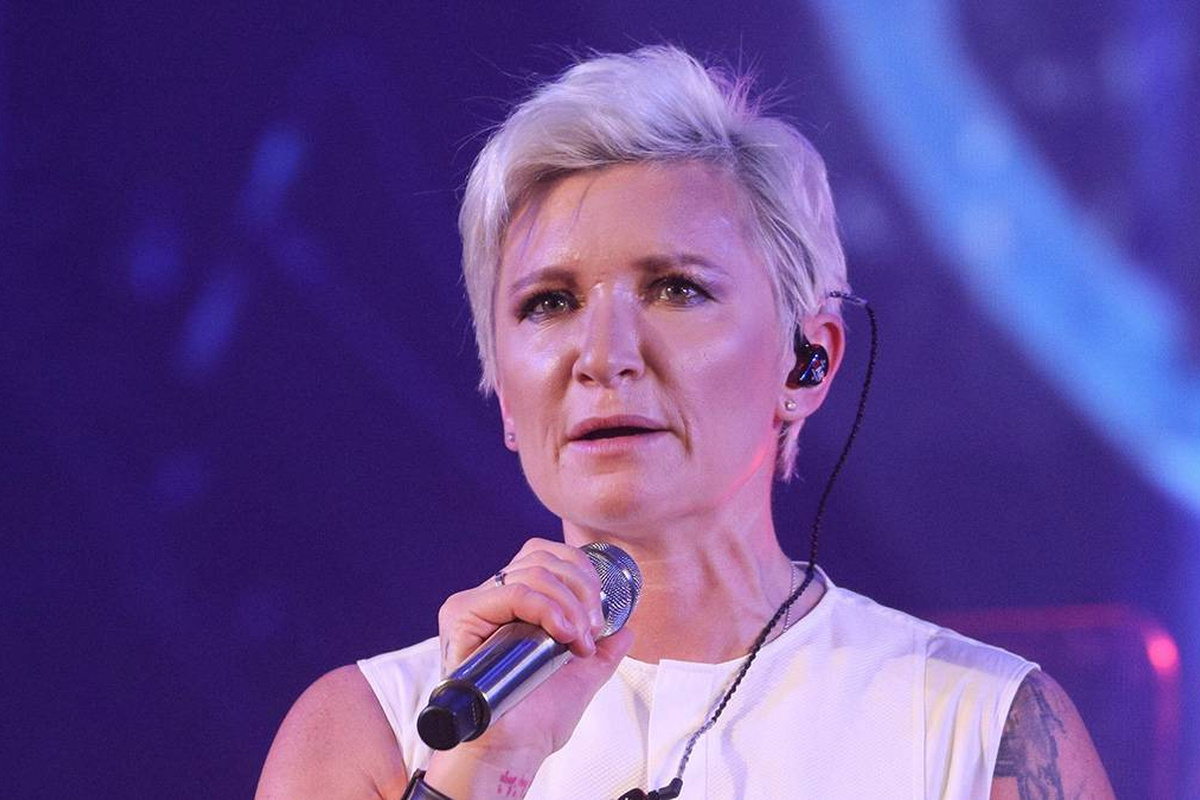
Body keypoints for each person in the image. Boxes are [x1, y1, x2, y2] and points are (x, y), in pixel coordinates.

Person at [256, 46, 1113, 799]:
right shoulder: (371, 734)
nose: (603, 355)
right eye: (549, 303)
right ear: (507, 395)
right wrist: (484, 770)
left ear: (806, 361)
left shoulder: (983, 730)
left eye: (677, 289)